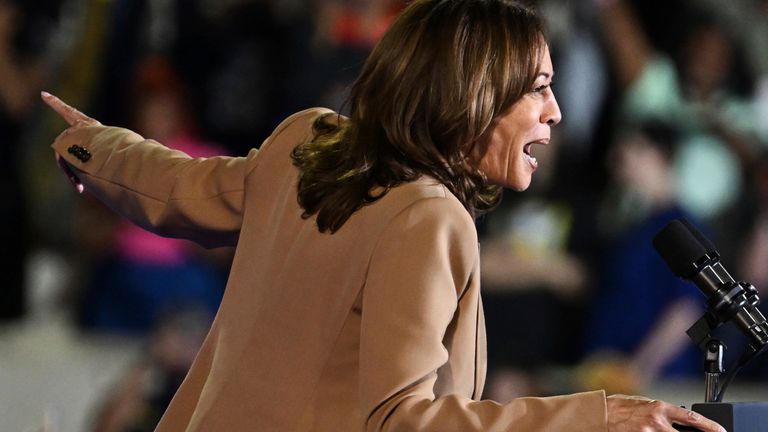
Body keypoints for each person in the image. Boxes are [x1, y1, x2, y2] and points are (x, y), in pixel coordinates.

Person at [42, 1, 725, 431]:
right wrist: (596, 419)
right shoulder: (428, 216)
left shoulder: (308, 146)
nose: (556, 113)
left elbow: (180, 189)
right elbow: (403, 421)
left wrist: (92, 146)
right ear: (476, 95)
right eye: (539, 89)